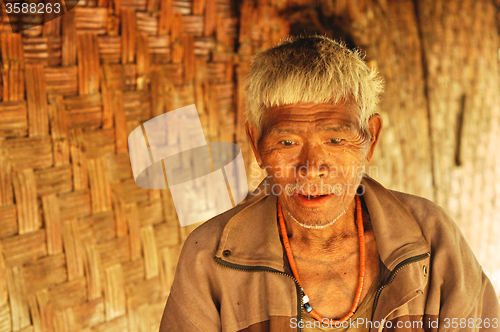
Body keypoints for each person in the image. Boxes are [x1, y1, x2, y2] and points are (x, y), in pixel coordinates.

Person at [159, 35, 500, 331]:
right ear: (257, 144)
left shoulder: (431, 239)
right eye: (288, 143)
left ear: (372, 138)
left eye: (335, 141)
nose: (311, 168)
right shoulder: (209, 260)